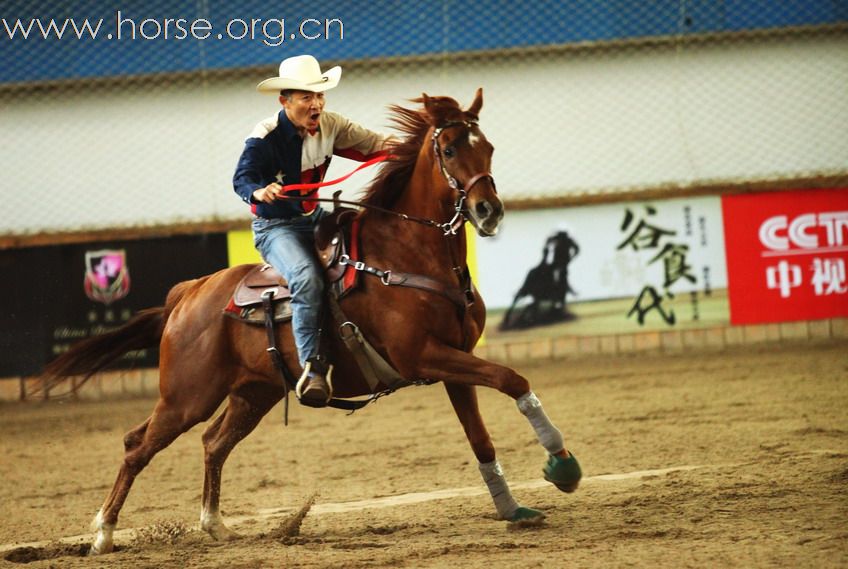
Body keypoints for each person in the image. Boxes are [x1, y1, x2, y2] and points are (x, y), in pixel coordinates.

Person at [233, 55, 393, 407]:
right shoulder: (264, 137)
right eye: (306, 96)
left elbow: (377, 144)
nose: (316, 103)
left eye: (319, 95)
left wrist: (418, 145)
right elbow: (242, 178)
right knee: (305, 276)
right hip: (275, 227)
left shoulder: (333, 125)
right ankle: (313, 367)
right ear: (284, 101)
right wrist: (259, 191)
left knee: (367, 241)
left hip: (313, 216)